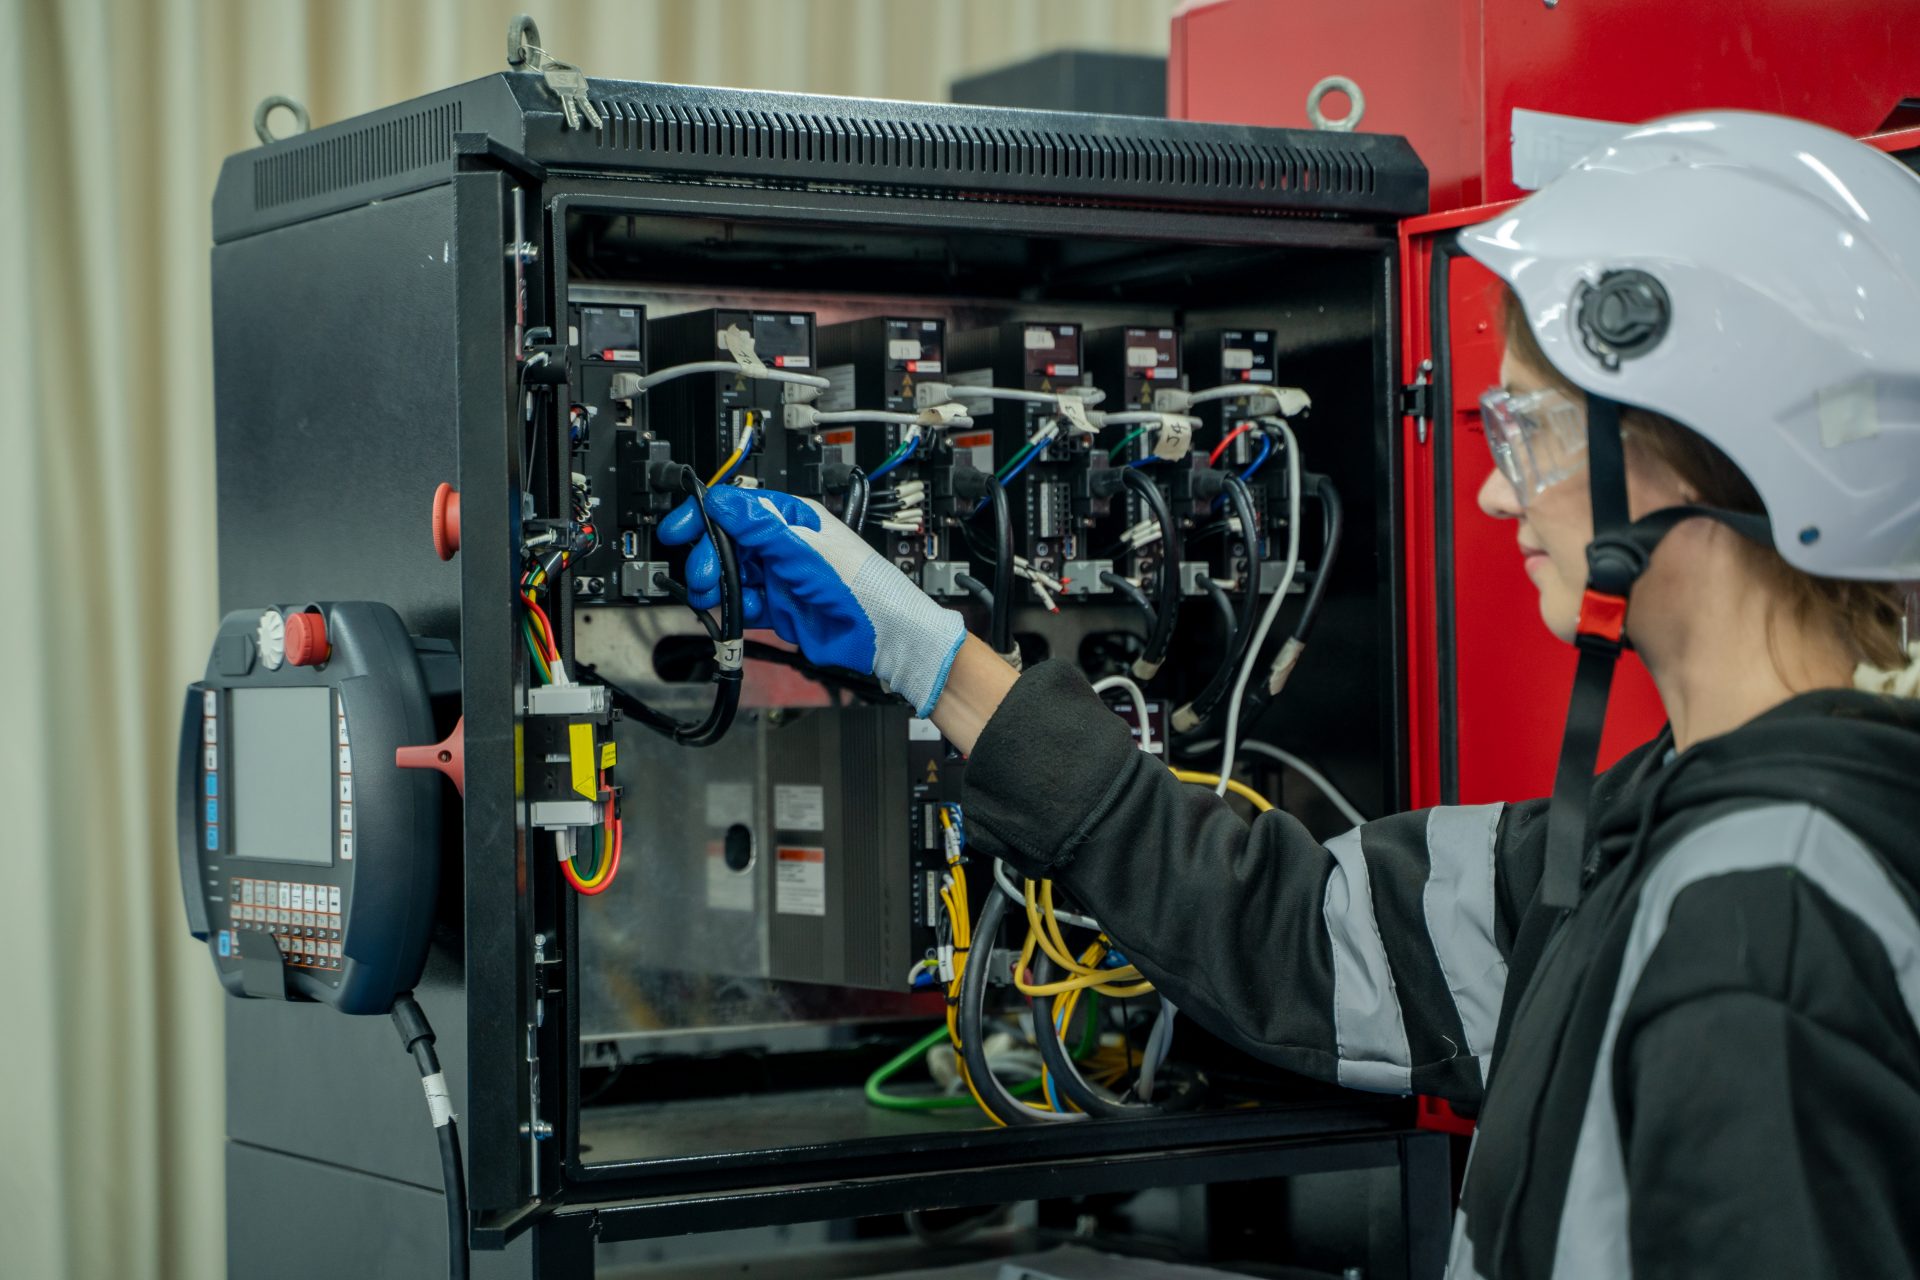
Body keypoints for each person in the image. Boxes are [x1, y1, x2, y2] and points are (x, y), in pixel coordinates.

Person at [659, 113, 1920, 1278]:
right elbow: (1305, 931)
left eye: (1529, 432)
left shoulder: (1765, 925)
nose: (1492, 492)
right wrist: (927, 652)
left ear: (1698, 456)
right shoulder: (1674, 831)